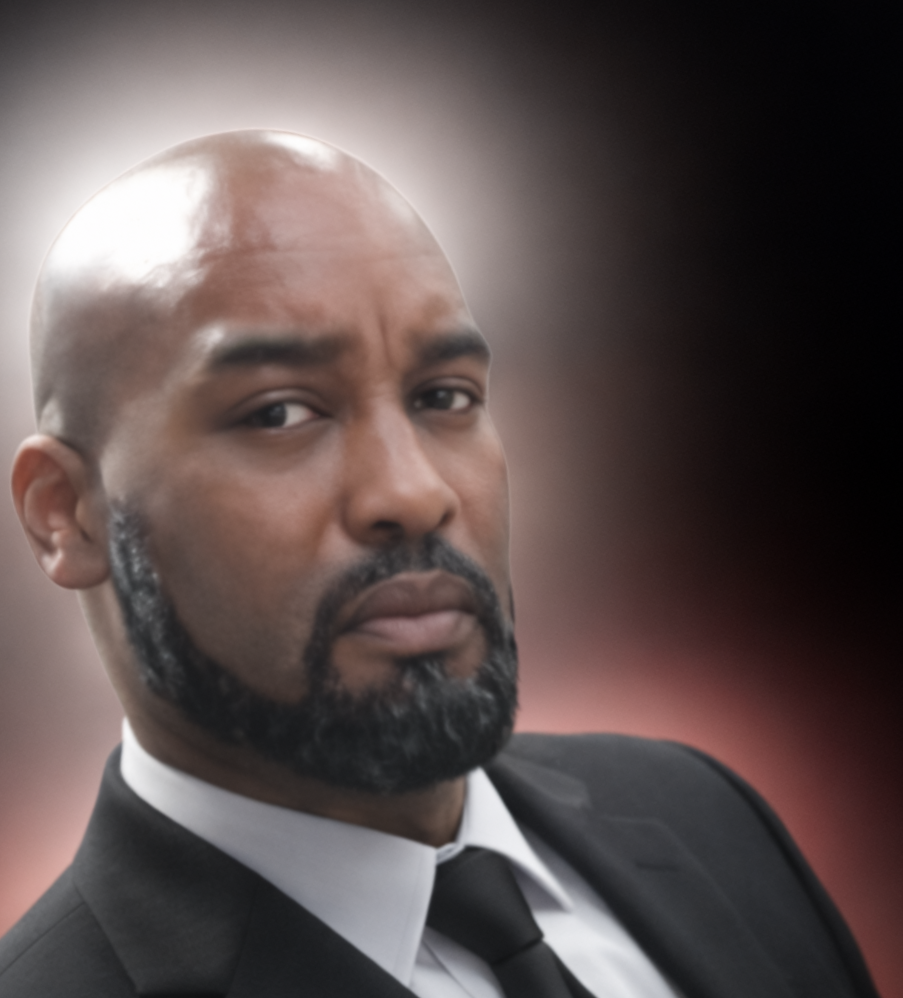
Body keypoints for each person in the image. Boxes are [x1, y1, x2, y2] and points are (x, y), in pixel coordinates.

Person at [0, 130, 878, 998]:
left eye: (443, 397)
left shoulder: (704, 815)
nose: (414, 493)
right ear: (65, 515)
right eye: (276, 414)